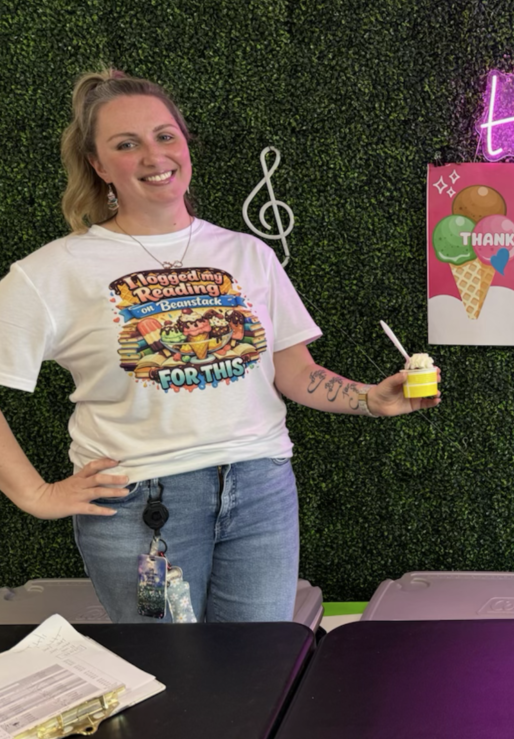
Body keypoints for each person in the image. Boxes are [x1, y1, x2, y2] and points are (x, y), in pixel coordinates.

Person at [0, 68, 440, 623]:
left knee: (259, 665)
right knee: (168, 671)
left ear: (184, 144)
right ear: (98, 164)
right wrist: (36, 494)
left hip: (261, 490)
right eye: (126, 144)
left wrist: (369, 398)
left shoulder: (247, 254)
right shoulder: (56, 269)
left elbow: (292, 371)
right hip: (140, 506)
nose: (154, 156)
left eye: (165, 136)